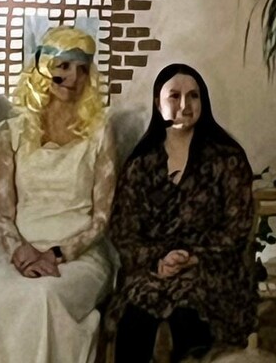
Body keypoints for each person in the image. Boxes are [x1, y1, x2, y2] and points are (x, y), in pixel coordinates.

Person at [0, 27, 116, 363]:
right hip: (21, 254)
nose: (73, 78)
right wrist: (21, 252)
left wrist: (56, 255)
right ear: (43, 68)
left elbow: (101, 218)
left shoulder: (99, 133)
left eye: (82, 69)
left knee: (44, 297)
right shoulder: (11, 133)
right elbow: (2, 213)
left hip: (79, 258)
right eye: (64, 66)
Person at [108, 63, 257, 362]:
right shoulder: (141, 163)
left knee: (188, 314)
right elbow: (124, 230)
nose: (185, 105)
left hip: (211, 268)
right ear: (157, 102)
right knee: (136, 314)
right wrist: (159, 260)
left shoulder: (227, 158)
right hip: (153, 270)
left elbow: (238, 227)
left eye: (194, 96)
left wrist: (193, 257)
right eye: (174, 96)